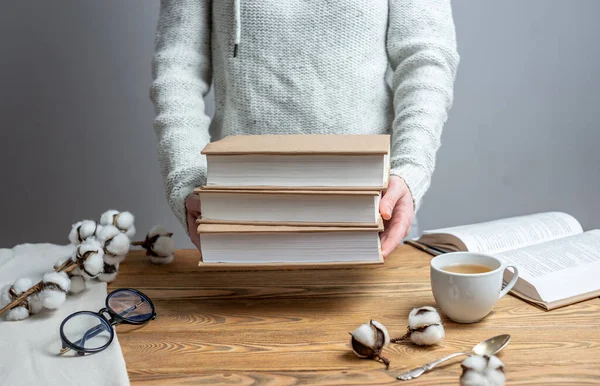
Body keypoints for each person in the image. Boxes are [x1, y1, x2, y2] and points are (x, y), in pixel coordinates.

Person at [150, 0, 459, 257]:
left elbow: (426, 58)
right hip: (241, 211)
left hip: (372, 207)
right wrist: (186, 176)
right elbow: (178, 66)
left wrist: (409, 170)